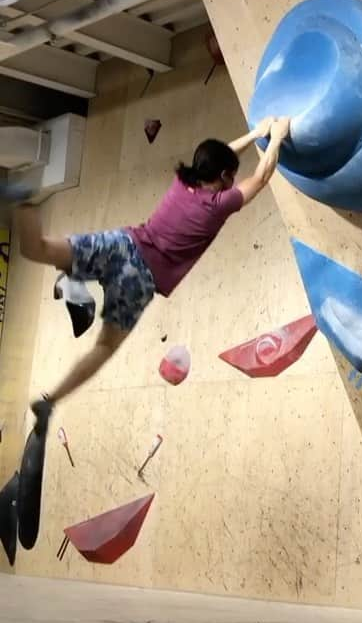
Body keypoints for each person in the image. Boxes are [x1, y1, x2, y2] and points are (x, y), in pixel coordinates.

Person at [1, 115, 291, 429]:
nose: (232, 181)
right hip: (139, 280)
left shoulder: (184, 182)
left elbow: (218, 159)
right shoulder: (219, 204)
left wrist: (254, 134)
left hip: (122, 245)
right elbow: (260, 178)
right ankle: (50, 400)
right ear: (224, 176)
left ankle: (23, 204)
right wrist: (275, 138)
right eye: (230, 176)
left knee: (38, 249)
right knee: (104, 346)